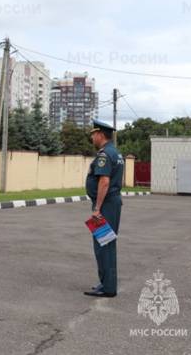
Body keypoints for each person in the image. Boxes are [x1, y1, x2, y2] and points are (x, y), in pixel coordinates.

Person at [83, 119, 125, 298]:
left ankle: (107, 287)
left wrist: (97, 208)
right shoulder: (115, 153)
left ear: (100, 134)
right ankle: (107, 284)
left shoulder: (104, 155)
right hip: (112, 203)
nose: (92, 138)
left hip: (105, 205)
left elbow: (104, 181)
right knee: (107, 244)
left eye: (93, 134)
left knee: (103, 245)